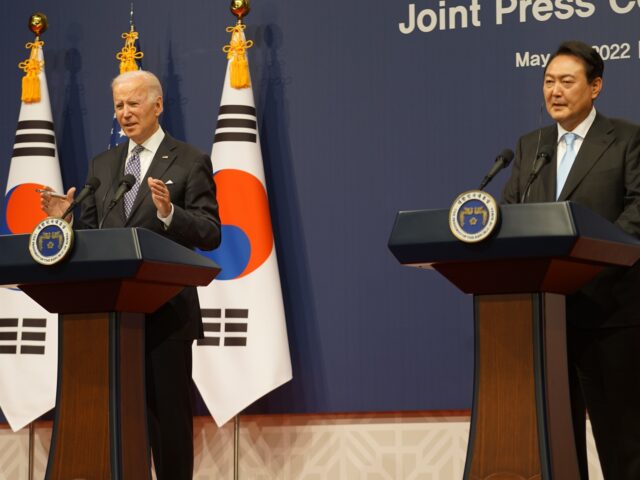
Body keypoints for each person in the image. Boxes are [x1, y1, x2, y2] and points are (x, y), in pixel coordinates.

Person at [41, 69, 221, 480]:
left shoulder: (190, 160)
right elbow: (94, 238)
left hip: (165, 315)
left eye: (133, 103)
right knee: (117, 420)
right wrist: (64, 222)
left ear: (158, 105)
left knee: (168, 424)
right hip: (108, 320)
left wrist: (169, 213)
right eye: (118, 105)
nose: (124, 113)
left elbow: (210, 232)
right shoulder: (103, 165)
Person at [502, 41, 640, 479]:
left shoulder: (626, 140)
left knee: (623, 444)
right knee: (554, 445)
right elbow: (510, 213)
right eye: (547, 81)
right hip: (545, 318)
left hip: (609, 313)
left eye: (566, 81)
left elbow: (637, 212)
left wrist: (587, 264)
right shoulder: (530, 147)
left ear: (595, 86)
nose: (554, 91)